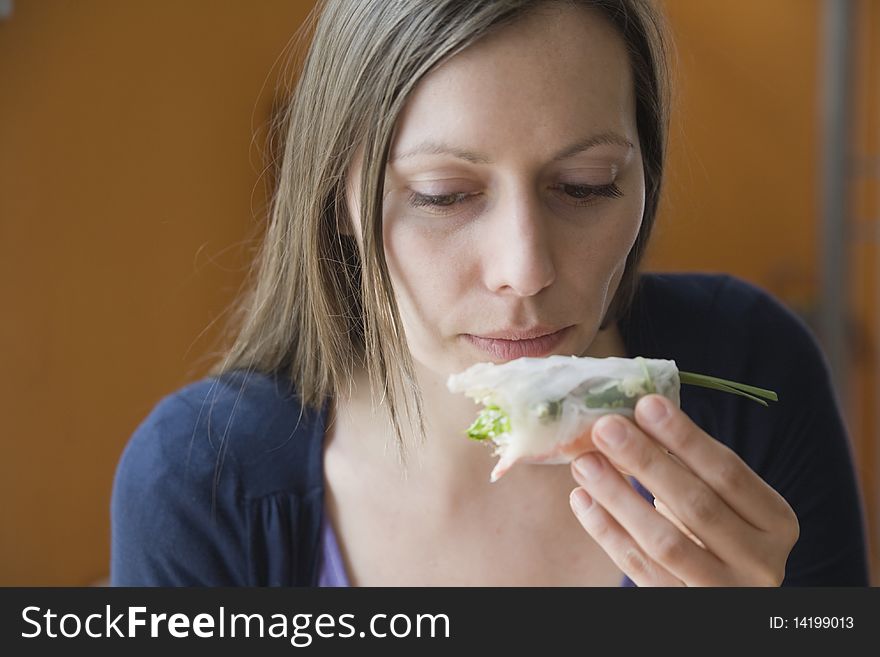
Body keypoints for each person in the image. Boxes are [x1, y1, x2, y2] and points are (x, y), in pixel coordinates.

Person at [110, 0, 870, 586]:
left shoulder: (755, 375)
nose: (526, 268)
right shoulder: (198, 487)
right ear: (340, 194)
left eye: (586, 186)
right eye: (443, 195)